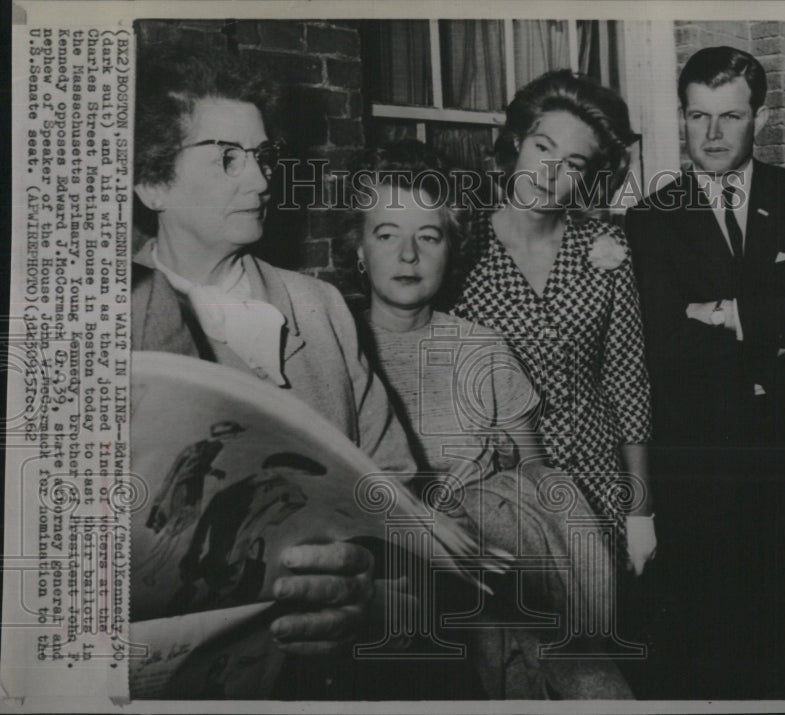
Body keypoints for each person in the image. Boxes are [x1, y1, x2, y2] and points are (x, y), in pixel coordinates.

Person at [131, 40, 416, 694]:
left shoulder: (319, 310)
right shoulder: (103, 326)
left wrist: (362, 589)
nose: (261, 181)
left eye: (261, 158)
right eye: (228, 159)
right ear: (152, 181)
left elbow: (397, 493)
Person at [334, 139, 633, 699]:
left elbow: (539, 485)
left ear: (450, 251)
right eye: (386, 234)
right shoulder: (332, 344)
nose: (408, 256)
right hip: (390, 593)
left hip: (502, 582)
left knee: (594, 682)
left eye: (428, 236)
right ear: (358, 249)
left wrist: (507, 470)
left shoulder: (482, 347)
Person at [624, 46, 785, 697]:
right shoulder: (652, 218)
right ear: (682, 117)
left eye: (729, 116)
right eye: (698, 116)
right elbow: (666, 341)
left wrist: (735, 313)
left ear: (757, 117)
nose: (712, 134)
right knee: (718, 637)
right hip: (707, 460)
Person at [451, 70, 656, 578]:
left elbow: (627, 384)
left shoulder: (604, 250)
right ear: (518, 141)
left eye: (573, 162)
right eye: (543, 147)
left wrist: (640, 508)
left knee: (598, 639)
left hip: (596, 482)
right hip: (498, 492)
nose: (549, 171)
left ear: (588, 175)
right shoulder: (459, 246)